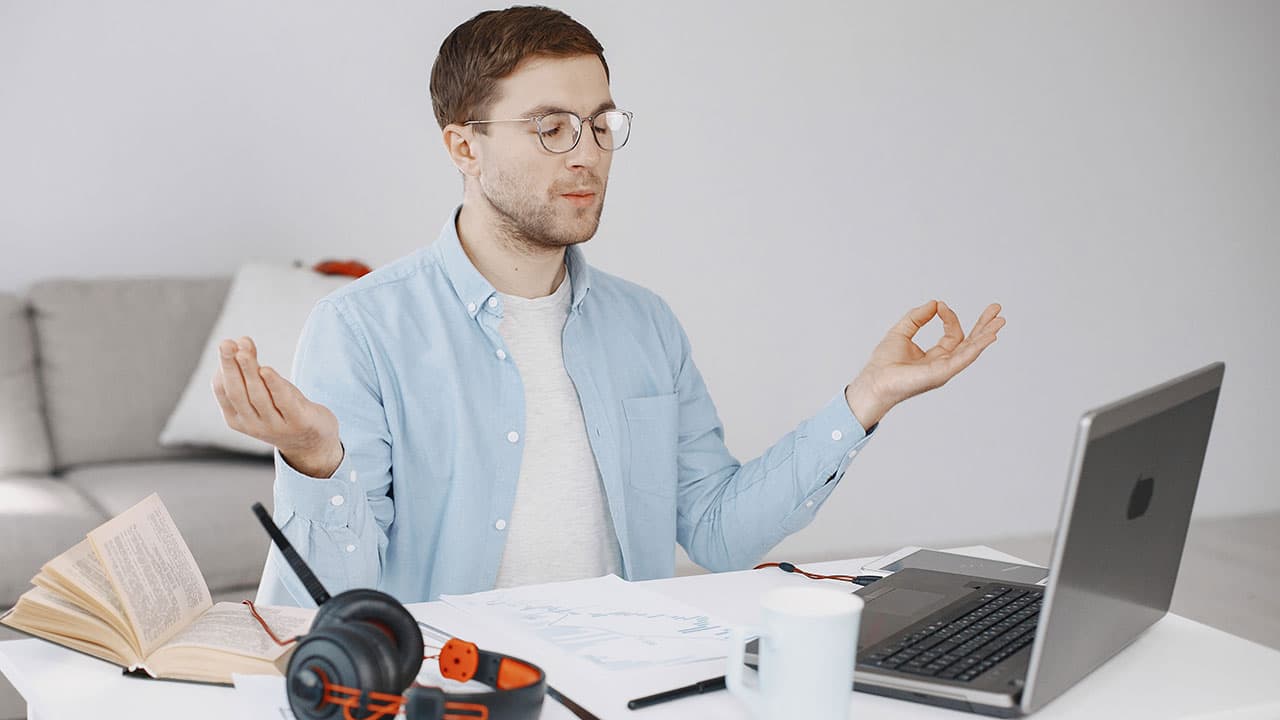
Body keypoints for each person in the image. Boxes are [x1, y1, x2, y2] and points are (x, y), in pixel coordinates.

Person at [212, 5, 1006, 607]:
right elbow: (335, 612)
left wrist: (863, 401)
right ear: (464, 146)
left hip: (623, 685)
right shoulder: (361, 331)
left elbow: (719, 531)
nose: (587, 151)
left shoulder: (644, 324)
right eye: (550, 127)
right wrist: (319, 465)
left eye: (599, 124)